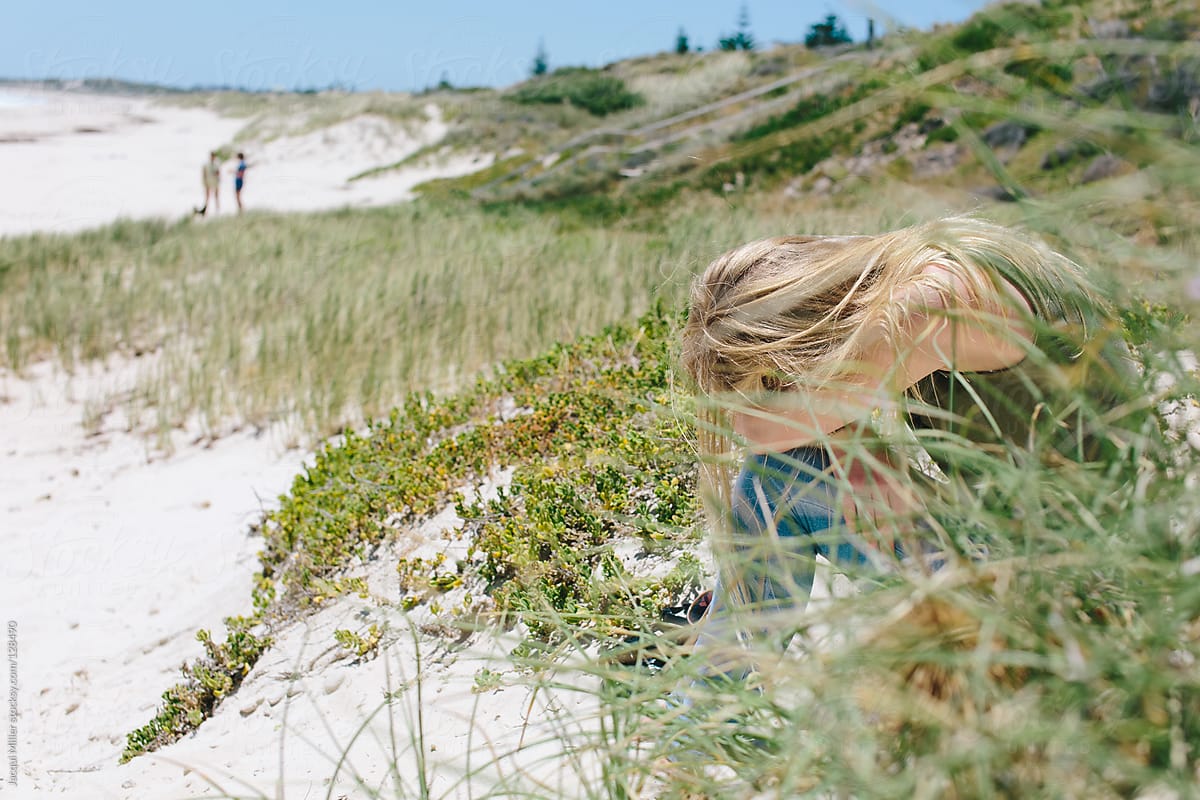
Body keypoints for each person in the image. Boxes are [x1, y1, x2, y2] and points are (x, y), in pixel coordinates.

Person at [677, 216, 1153, 677]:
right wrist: (848, 444)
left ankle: (696, 732)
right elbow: (838, 394)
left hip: (1069, 581)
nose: (778, 390)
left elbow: (758, 429)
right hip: (1061, 542)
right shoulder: (937, 266)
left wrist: (841, 440)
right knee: (801, 455)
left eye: (773, 378)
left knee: (777, 476)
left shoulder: (931, 306)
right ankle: (706, 700)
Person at [200, 151, 220, 216]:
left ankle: (217, 210)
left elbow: (218, 173)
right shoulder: (206, 164)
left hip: (215, 182)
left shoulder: (216, 164)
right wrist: (204, 182)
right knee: (207, 197)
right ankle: (206, 210)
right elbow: (204, 174)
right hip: (208, 182)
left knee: (216, 196)